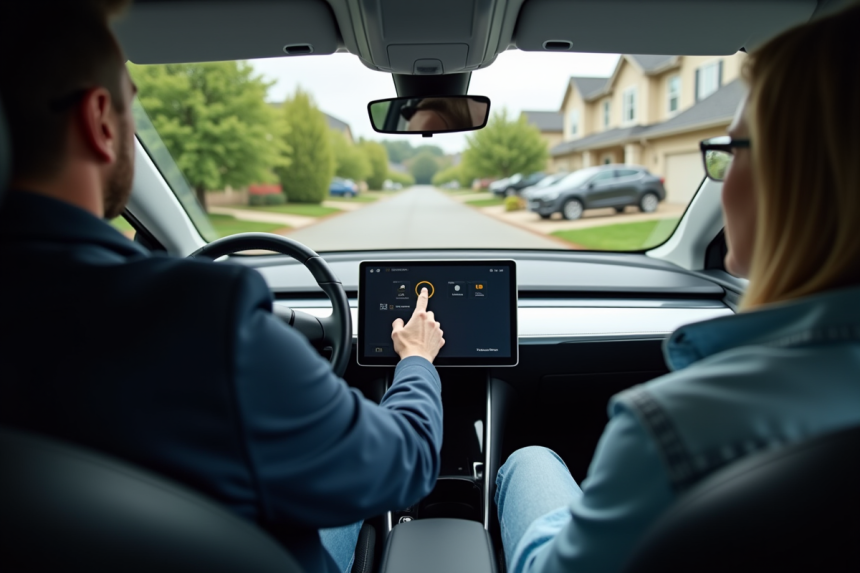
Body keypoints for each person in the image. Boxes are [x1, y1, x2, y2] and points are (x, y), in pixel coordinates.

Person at [0, 3, 445, 573]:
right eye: (132, 104)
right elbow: (401, 465)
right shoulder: (203, 323)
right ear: (101, 121)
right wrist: (417, 361)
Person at [494, 4, 860, 573]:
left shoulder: (670, 429)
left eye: (731, 150)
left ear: (792, 177)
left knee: (530, 460)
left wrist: (589, 510)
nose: (724, 175)